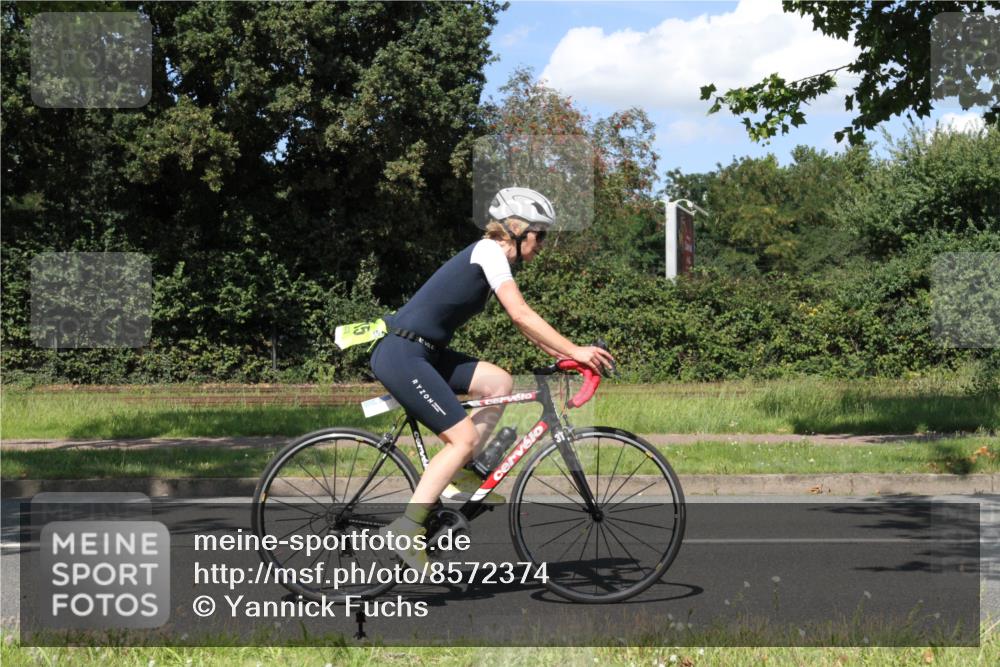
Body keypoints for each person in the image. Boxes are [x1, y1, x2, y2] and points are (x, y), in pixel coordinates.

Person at [370, 187, 615, 569]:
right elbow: (521, 315)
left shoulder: (490, 257)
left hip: (424, 352)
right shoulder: (489, 251)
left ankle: (461, 474)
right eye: (540, 235)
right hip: (403, 353)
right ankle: (407, 528)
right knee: (462, 438)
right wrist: (576, 351)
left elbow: (525, 325)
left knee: (499, 383)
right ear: (517, 230)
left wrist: (566, 355)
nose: (542, 245)